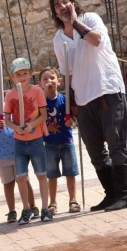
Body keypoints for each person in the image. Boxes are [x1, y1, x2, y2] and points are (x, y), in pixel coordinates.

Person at [50, 0, 127, 211]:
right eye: (58, 6)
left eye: (65, 2)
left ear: (73, 3)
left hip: (106, 89)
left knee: (116, 142)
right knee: (95, 149)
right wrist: (70, 105)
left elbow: (96, 40)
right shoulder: (59, 39)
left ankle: (123, 195)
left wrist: (75, 22)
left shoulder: (90, 19)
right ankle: (111, 194)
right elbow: (67, 72)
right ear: (55, 13)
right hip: (83, 96)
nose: (63, 7)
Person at [0, 86, 37, 223]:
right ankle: (12, 210)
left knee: (24, 180)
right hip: (1, 155)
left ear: (0, 97)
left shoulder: (11, 113)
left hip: (18, 152)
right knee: (8, 183)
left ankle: (31, 206)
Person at [3, 58, 51, 224]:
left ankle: (45, 208)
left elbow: (43, 115)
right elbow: (7, 119)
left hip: (36, 139)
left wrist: (32, 124)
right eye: (18, 74)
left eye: (25, 73)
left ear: (30, 74)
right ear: (13, 77)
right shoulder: (10, 95)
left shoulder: (37, 91)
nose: (22, 76)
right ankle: (26, 208)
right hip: (19, 142)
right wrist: (16, 128)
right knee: (21, 176)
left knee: (41, 175)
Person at [39, 67, 80, 213]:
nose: (49, 81)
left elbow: (74, 118)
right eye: (45, 79)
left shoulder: (65, 99)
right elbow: (37, 120)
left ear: (59, 81)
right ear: (40, 84)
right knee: (52, 175)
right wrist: (49, 128)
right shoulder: (40, 103)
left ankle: (73, 200)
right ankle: (53, 202)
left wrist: (72, 122)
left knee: (70, 172)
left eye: (52, 78)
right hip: (49, 143)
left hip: (66, 141)